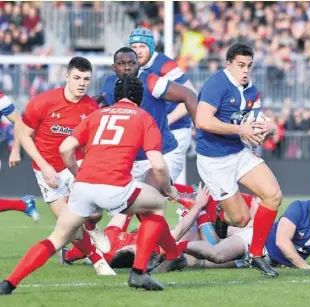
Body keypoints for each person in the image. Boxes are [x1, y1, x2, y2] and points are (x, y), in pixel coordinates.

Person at [0, 76, 182, 295]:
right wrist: (170, 190)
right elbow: (159, 165)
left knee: (57, 238)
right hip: (116, 186)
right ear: (140, 98)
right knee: (155, 204)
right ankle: (139, 271)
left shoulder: (97, 114)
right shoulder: (143, 117)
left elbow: (66, 148)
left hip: (84, 186)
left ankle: (9, 283)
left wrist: (78, 174)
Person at [14, 56, 114, 275]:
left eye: (86, 79)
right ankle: (99, 262)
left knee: (95, 212)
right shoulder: (44, 101)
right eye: (77, 77)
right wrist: (40, 163)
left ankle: (93, 226)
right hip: (46, 167)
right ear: (66, 76)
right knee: (68, 224)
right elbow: (23, 132)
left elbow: (91, 142)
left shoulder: (91, 106)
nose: (81, 83)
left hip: (74, 163)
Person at [195, 43, 281, 277]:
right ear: (228, 64)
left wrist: (268, 128)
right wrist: (240, 131)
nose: (245, 71)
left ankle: (256, 254)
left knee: (273, 195)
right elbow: (202, 121)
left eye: (249, 66)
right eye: (240, 65)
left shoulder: (252, 90)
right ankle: (221, 215)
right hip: (214, 160)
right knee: (242, 220)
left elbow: (255, 122)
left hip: (239, 153)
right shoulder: (216, 84)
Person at [182, 188, 310, 270]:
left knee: (206, 265)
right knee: (216, 255)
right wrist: (305, 266)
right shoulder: (300, 208)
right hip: (257, 240)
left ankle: (216, 229)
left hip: (266, 261)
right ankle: (174, 247)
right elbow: (282, 242)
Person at [60, 182, 211, 272]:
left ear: (122, 249)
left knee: (91, 238)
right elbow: (180, 228)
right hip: (164, 239)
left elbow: (121, 214)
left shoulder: (111, 245)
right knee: (186, 245)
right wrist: (198, 206)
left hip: (105, 246)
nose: (135, 247)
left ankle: (67, 255)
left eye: (132, 248)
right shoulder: (153, 248)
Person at [99, 47, 197, 185]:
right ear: (114, 67)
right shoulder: (109, 84)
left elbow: (189, 95)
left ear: (138, 65)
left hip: (162, 154)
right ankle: (192, 204)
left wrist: (200, 130)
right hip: (129, 159)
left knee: (149, 195)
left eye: (132, 63)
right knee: (121, 203)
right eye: (122, 64)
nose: (127, 67)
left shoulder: (151, 81)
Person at [129, 27, 195, 184]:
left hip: (174, 133)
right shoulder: (132, 67)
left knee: (155, 186)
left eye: (142, 46)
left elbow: (192, 97)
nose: (138, 51)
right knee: (133, 192)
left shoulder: (165, 66)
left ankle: (196, 202)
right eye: (134, 47)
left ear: (151, 47)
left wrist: (165, 121)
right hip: (150, 135)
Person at [0, 92, 39, 221]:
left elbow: (18, 122)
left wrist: (16, 149)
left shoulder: (1, 99)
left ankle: (23, 205)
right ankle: (23, 204)